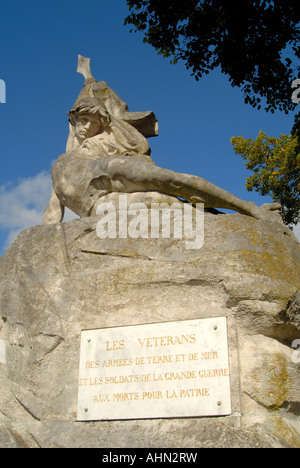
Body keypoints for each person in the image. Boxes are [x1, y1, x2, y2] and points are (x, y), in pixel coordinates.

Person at [43, 57, 282, 225]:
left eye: (88, 121)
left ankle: (249, 208)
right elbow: (53, 213)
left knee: (173, 181)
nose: (82, 127)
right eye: (78, 121)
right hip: (96, 200)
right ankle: (232, 220)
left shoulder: (105, 144)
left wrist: (92, 85)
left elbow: (128, 137)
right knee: (166, 203)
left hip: (108, 169)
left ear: (101, 124)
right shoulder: (60, 164)